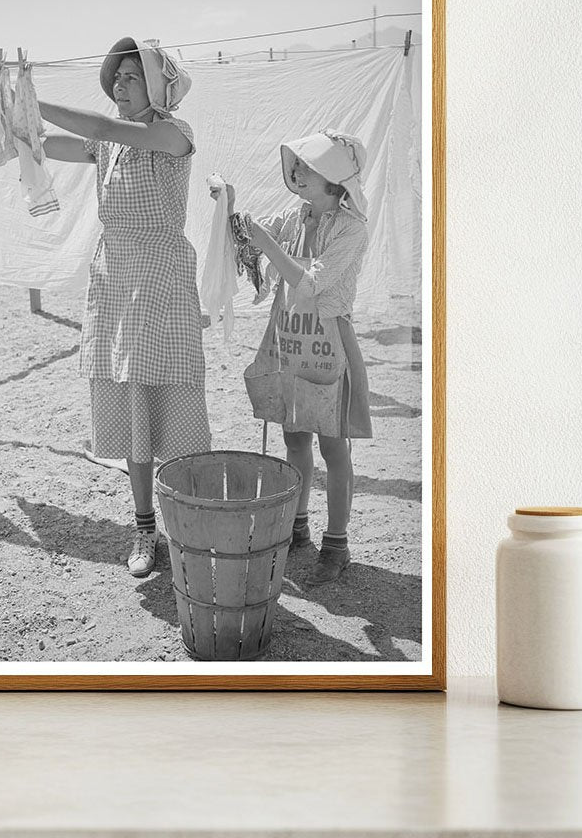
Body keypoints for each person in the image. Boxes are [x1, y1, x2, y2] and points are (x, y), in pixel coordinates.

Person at [36, 37, 212, 577]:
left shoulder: (171, 133)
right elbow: (45, 146)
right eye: (117, 75)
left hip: (160, 273)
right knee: (134, 402)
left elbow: (106, 129)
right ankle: (144, 529)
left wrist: (31, 98)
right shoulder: (106, 146)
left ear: (157, 87)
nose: (120, 83)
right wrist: (4, 106)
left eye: (132, 76)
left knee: (174, 402)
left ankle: (191, 526)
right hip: (116, 273)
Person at [212, 131, 373, 583]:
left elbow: (309, 283)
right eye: (297, 163)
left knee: (333, 445)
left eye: (308, 164)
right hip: (290, 338)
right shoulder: (294, 216)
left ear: (335, 180)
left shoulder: (351, 229)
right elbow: (251, 240)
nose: (296, 171)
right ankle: (297, 527)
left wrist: (266, 243)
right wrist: (229, 203)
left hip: (329, 343)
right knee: (295, 438)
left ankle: (336, 543)